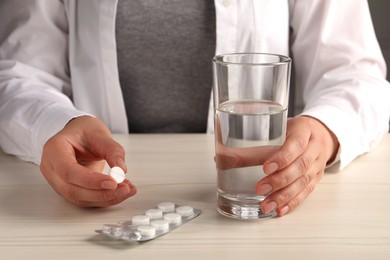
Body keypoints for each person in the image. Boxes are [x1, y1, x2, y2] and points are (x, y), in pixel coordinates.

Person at [0, 0, 389, 215]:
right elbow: (20, 73)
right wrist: (52, 124)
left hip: (253, 195)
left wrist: (325, 130)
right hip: (107, 203)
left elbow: (356, 75)